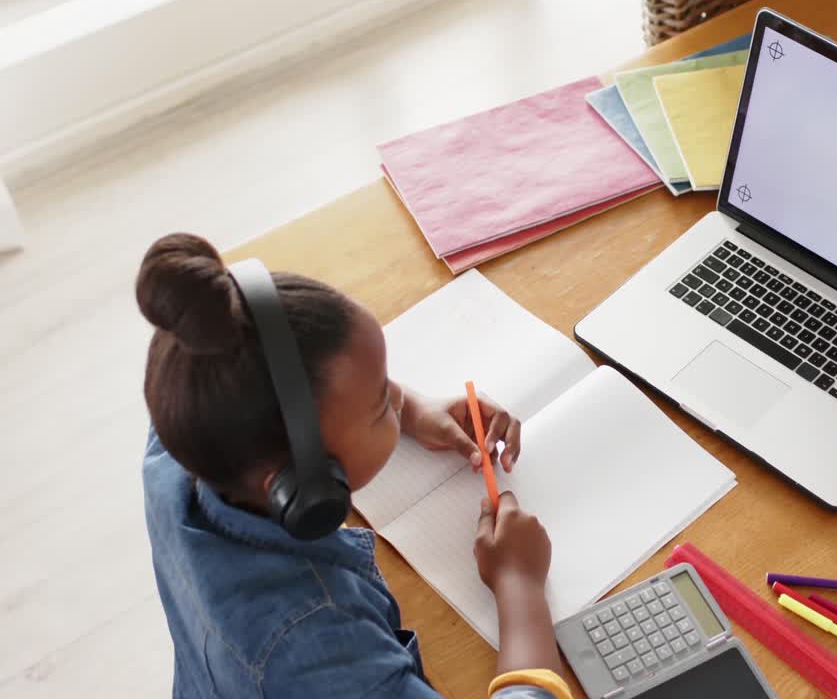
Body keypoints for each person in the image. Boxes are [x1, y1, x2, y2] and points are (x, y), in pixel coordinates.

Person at [136, 233, 569, 698]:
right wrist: (520, 587)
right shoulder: (319, 645)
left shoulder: (187, 442)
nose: (397, 401)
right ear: (303, 482)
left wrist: (411, 410)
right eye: (382, 404)